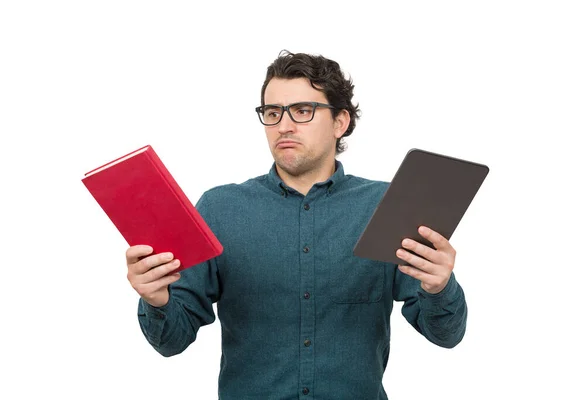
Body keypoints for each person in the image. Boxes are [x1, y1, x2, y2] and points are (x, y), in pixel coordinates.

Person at [126, 50, 467, 399]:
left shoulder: (386, 208)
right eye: (272, 113)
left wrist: (439, 287)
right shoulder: (219, 209)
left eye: (302, 111)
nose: (283, 126)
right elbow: (171, 341)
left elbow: (444, 334)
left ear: (340, 122)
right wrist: (155, 299)